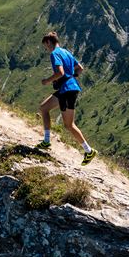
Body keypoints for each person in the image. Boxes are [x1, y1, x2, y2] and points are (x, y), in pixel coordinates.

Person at [37, 31, 97, 166]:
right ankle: (46, 141)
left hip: (66, 90)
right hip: (70, 88)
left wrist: (47, 81)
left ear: (48, 42)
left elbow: (60, 72)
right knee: (44, 108)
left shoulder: (54, 54)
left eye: (45, 46)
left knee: (69, 125)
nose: (46, 49)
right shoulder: (66, 52)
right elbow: (80, 69)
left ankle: (88, 150)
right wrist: (71, 77)